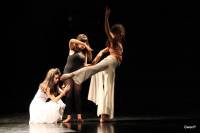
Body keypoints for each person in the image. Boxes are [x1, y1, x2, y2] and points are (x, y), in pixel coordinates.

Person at [60, 7, 125, 122]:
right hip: (111, 61)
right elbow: (106, 30)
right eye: (119, 32)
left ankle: (104, 115)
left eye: (121, 33)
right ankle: (71, 75)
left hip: (112, 65)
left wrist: (94, 62)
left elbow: (100, 53)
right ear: (117, 33)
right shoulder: (113, 40)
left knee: (108, 88)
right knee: (99, 76)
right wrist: (106, 17)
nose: (121, 34)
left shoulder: (116, 43)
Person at [62, 33, 93, 123]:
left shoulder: (84, 53)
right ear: (78, 42)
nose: (83, 45)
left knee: (77, 94)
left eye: (85, 43)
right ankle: (69, 116)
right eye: (82, 43)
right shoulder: (72, 48)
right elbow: (71, 40)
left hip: (77, 74)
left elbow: (84, 65)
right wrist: (84, 44)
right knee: (69, 94)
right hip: (68, 73)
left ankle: (79, 116)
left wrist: (92, 65)